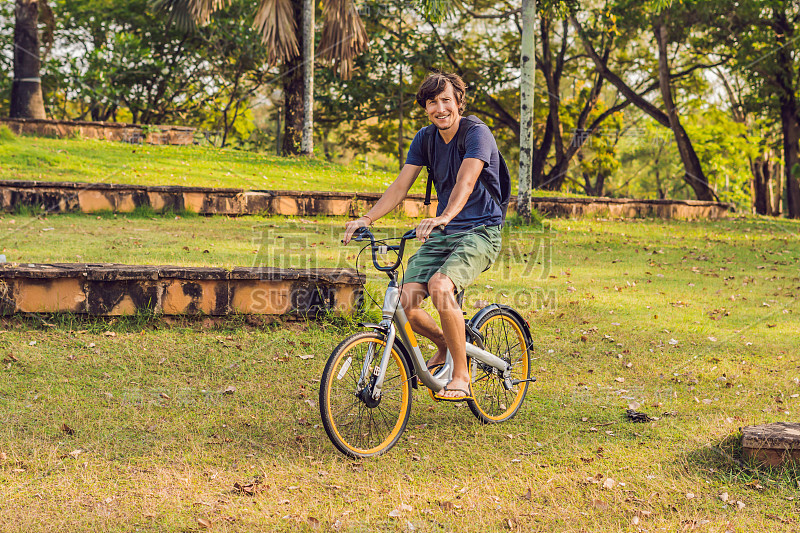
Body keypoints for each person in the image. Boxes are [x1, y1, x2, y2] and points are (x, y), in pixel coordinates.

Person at [343, 71, 503, 400]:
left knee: (441, 286)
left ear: (459, 102)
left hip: (481, 229)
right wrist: (367, 217)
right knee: (402, 303)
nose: (440, 108)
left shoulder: (477, 134)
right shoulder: (426, 139)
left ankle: (461, 375)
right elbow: (401, 186)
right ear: (426, 107)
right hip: (446, 230)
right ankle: (446, 341)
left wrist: (443, 215)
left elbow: (466, 181)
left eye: (446, 100)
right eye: (433, 102)